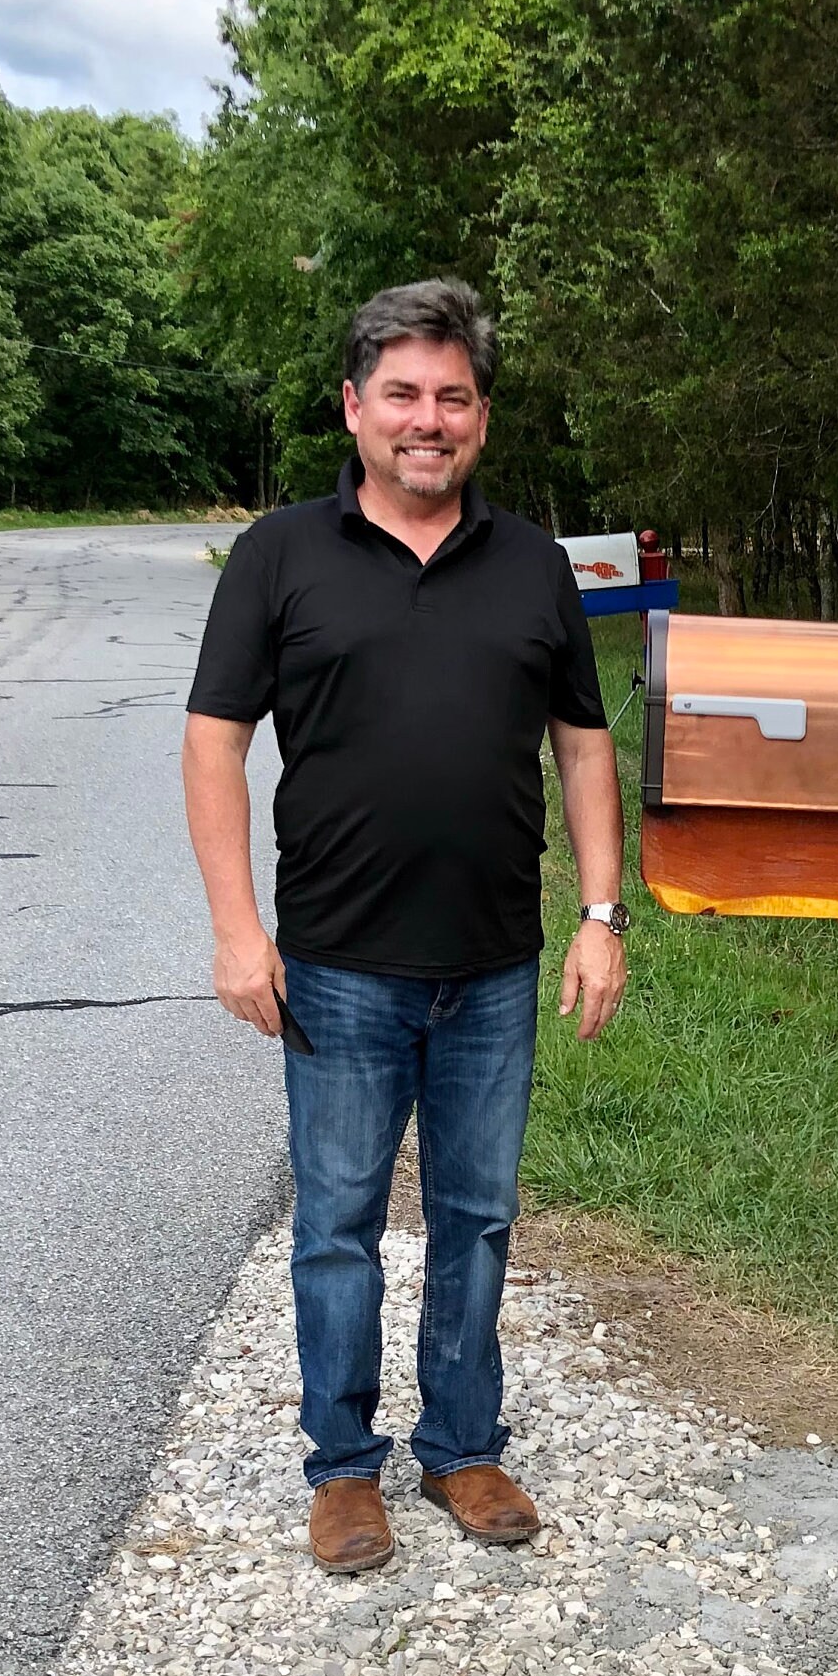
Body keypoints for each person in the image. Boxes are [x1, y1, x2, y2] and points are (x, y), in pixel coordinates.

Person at [182, 277, 628, 1575]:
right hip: (336, 968)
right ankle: (341, 1470)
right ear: (355, 407)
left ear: (480, 415)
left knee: (478, 1218)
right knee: (337, 1228)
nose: (426, 419)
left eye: (452, 396)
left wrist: (601, 917)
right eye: (403, 395)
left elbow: (586, 750)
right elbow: (215, 745)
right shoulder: (280, 555)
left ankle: (463, 1448)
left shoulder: (536, 566)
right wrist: (234, 929)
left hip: (492, 968)